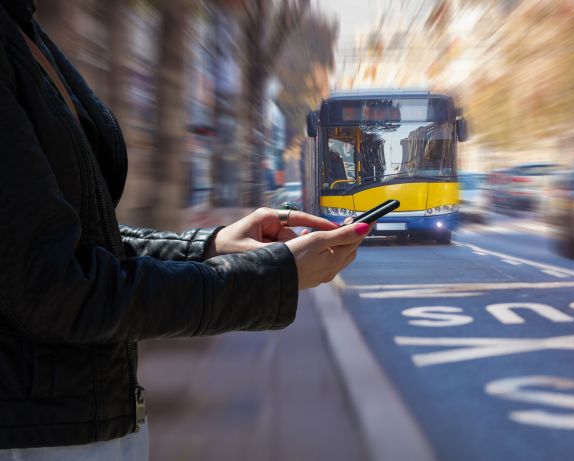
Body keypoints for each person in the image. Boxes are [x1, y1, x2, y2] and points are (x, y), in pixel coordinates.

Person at [0, 0, 369, 459]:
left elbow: (83, 243)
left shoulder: (23, 26)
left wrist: (212, 247)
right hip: (37, 437)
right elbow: (55, 288)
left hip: (73, 422)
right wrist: (270, 277)